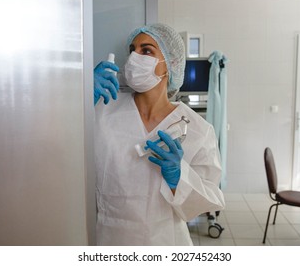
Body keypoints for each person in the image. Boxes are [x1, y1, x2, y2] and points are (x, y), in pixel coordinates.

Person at [93, 23, 225, 245]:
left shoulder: (197, 129)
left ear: (170, 64)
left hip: (164, 240)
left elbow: (208, 200)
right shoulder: (102, 109)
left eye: (146, 51)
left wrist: (179, 177)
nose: (134, 58)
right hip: (108, 237)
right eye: (132, 50)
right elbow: (56, 151)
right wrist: (77, 96)